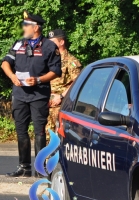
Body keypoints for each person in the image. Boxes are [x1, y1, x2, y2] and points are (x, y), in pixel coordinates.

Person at [1, 11, 61, 177]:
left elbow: (56, 71)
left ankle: (40, 169)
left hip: (39, 95)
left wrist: (40, 80)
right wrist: (12, 76)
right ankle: (24, 167)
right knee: (21, 130)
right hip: (20, 94)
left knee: (39, 131)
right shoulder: (19, 44)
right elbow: (5, 63)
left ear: (36, 28)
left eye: (26, 25)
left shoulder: (49, 46)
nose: (23, 27)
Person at [46, 29, 82, 138]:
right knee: (46, 135)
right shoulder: (47, 59)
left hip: (61, 104)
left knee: (60, 136)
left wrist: (61, 96)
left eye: (52, 41)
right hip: (46, 103)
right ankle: (47, 156)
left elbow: (78, 82)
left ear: (61, 42)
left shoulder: (71, 61)